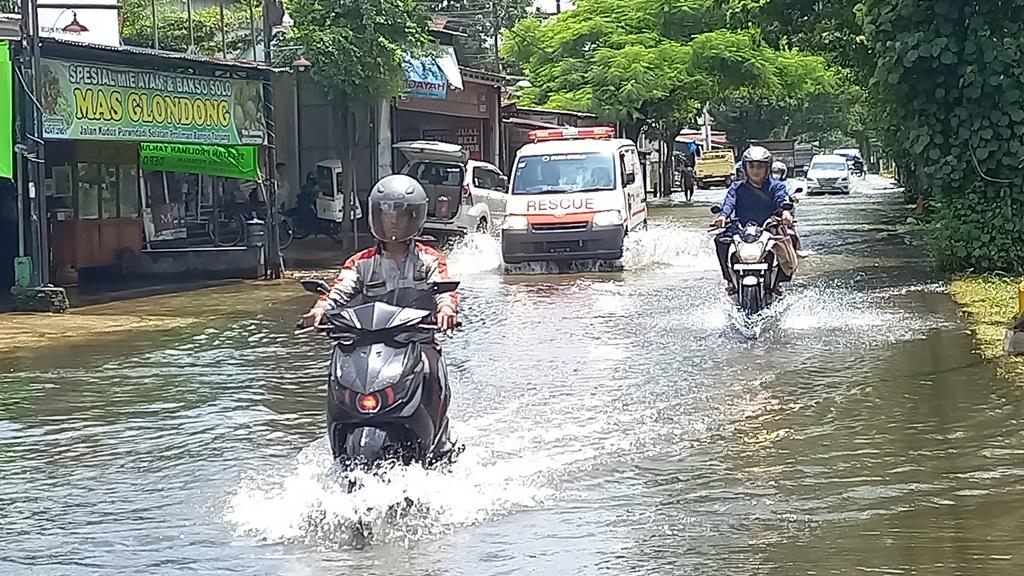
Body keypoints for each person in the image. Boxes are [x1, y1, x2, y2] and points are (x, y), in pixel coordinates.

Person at [299, 174, 459, 332]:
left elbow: (446, 293)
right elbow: (338, 291)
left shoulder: (430, 259)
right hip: (369, 338)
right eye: (387, 214)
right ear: (378, 217)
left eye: (401, 215)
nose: (393, 220)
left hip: (418, 337)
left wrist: (446, 309)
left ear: (412, 218)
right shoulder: (359, 263)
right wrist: (320, 308)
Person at [712, 146, 796, 295]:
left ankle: (777, 282)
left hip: (768, 226)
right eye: (751, 166)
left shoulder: (777, 186)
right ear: (745, 167)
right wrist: (723, 216)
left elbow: (781, 199)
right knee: (720, 241)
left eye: (760, 166)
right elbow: (729, 203)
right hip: (741, 227)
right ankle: (730, 280)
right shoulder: (737, 187)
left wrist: (785, 212)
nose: (755, 170)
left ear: (767, 168)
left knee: (790, 238)